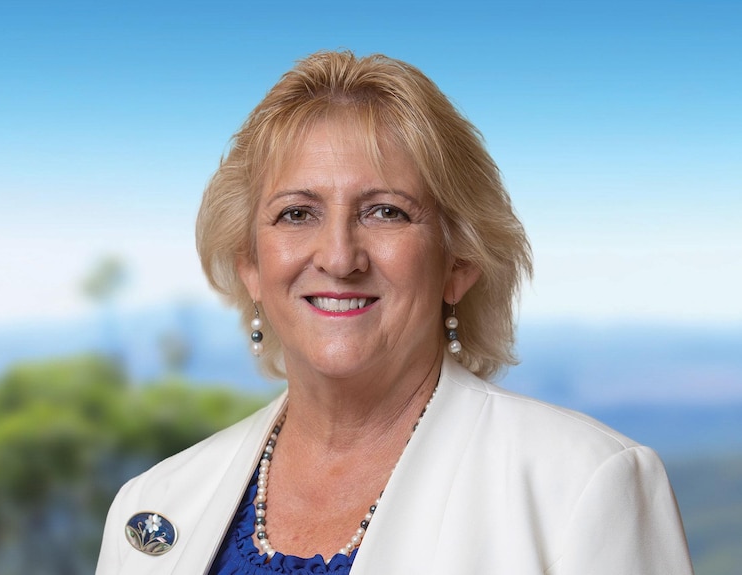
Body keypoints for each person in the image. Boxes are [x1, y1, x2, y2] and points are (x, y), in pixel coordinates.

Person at [95, 50, 694, 575]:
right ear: (251, 265)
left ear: (459, 262)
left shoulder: (585, 486)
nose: (338, 257)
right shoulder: (156, 504)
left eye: (385, 212)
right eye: (297, 214)